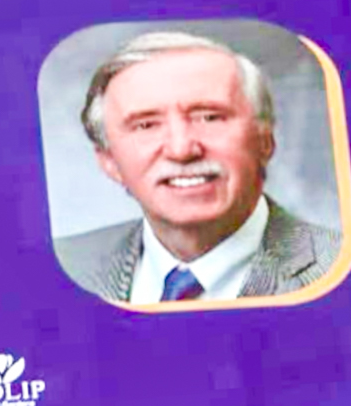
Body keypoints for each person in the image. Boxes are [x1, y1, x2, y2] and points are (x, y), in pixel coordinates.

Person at [54, 30, 341, 302]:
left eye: (209, 117)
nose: (181, 150)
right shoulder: (63, 265)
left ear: (265, 141)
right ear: (109, 162)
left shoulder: (336, 266)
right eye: (146, 125)